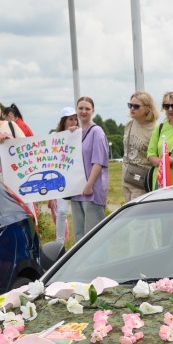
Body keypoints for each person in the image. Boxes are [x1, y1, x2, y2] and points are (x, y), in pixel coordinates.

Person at [70, 96, 109, 242]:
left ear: (93, 110)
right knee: (79, 236)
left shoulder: (97, 132)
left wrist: (89, 185)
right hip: (77, 191)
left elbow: (98, 162)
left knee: (93, 238)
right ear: (76, 110)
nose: (84, 111)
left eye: (87, 108)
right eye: (81, 108)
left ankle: (99, 264)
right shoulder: (76, 133)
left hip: (91, 191)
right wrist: (71, 135)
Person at [50, 106, 79, 245]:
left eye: (75, 119)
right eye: (70, 119)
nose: (73, 122)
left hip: (76, 176)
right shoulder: (54, 137)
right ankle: (59, 242)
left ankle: (80, 238)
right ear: (64, 121)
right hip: (60, 177)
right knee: (61, 211)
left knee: (78, 208)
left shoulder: (79, 133)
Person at [122, 91, 156, 202]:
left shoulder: (155, 129)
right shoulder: (129, 124)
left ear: (147, 108)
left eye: (136, 106)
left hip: (141, 179)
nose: (132, 108)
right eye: (130, 105)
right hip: (126, 177)